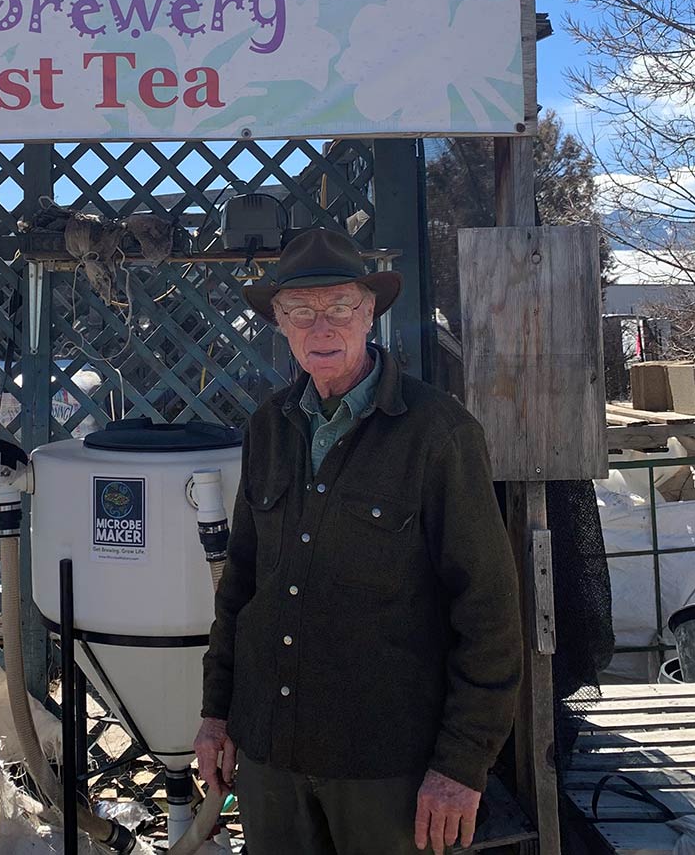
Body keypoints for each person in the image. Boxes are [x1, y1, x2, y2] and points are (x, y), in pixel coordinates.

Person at [196, 228, 522, 855]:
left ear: (370, 313)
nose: (321, 327)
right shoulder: (268, 427)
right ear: (281, 325)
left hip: (387, 767)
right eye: (300, 311)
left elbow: (489, 612)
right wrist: (217, 713)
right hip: (271, 755)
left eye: (339, 306)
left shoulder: (440, 434)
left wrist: (461, 764)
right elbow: (240, 586)